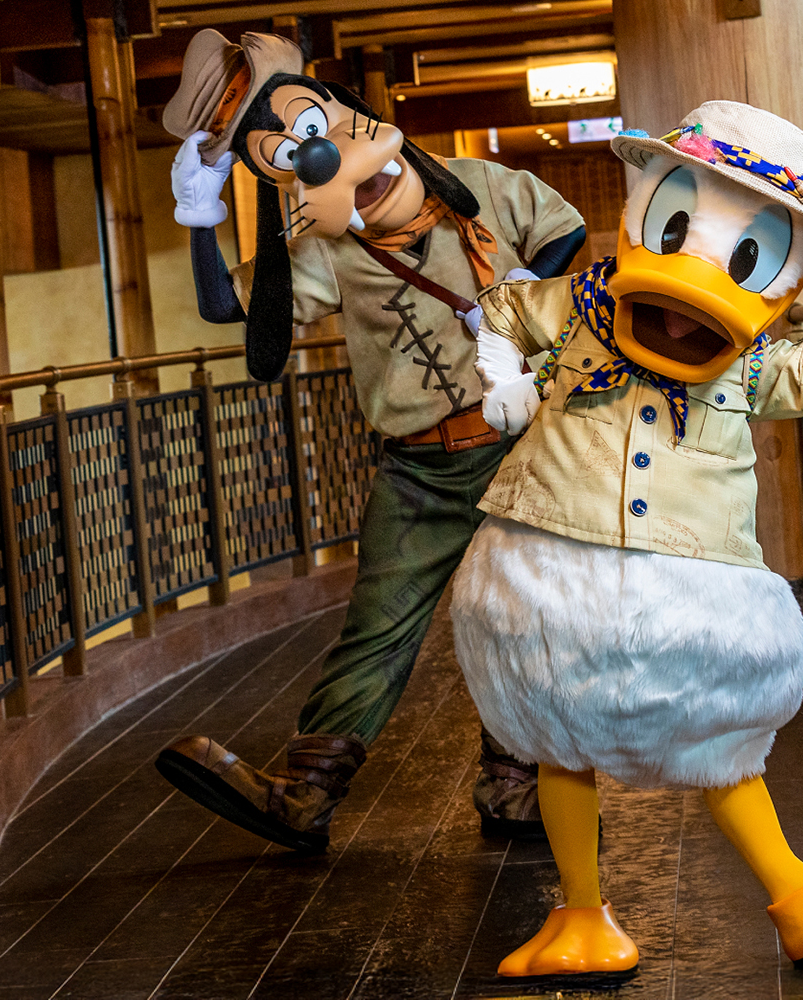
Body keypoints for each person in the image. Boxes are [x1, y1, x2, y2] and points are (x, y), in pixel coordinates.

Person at [450, 101, 803, 975]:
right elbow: (498, 313)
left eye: (748, 257)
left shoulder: (750, 363)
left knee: (720, 744)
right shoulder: (579, 308)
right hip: (546, 561)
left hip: (688, 587)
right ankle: (583, 918)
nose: (686, 301)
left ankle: (797, 894)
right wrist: (505, 380)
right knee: (558, 742)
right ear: (643, 209)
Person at [153, 29, 588, 854]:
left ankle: (516, 785)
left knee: (524, 619)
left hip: (519, 452)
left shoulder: (485, 191)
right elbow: (231, 311)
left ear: (350, 116)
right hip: (418, 471)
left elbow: (564, 233)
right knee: (378, 625)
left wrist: (537, 289)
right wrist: (199, 215)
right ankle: (303, 792)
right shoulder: (324, 248)